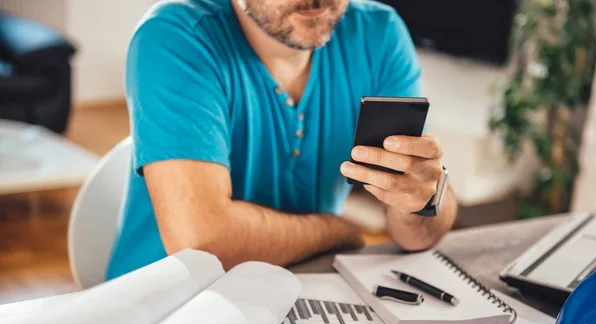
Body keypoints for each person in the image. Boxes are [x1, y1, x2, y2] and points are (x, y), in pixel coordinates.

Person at [106, 0, 459, 279]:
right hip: (161, 307)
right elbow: (202, 242)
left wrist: (423, 199)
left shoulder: (379, 34)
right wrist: (336, 231)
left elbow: (415, 236)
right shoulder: (175, 36)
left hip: (295, 291)